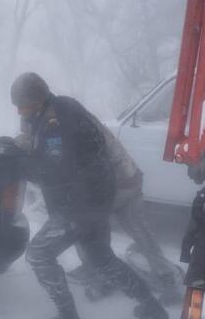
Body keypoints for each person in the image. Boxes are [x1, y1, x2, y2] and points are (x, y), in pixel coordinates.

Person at [10, 72, 169, 319]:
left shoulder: (54, 123)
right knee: (101, 257)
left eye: (22, 106)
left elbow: (51, 170)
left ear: (36, 100)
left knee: (39, 255)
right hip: (94, 199)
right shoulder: (61, 107)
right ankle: (153, 308)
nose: (19, 112)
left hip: (79, 204)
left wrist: (18, 163)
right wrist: (18, 148)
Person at [62, 114, 184, 305]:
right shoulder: (83, 119)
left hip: (113, 184)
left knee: (83, 223)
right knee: (139, 229)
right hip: (130, 177)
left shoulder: (69, 127)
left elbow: (84, 165)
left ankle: (96, 273)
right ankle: (166, 277)